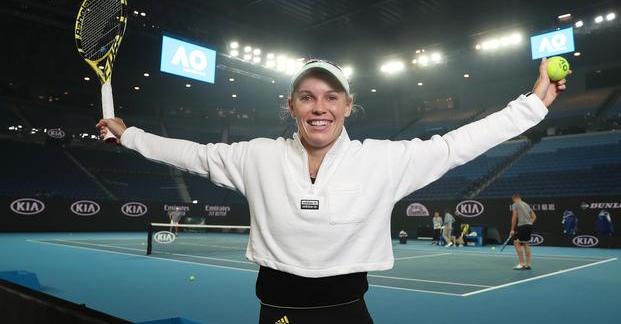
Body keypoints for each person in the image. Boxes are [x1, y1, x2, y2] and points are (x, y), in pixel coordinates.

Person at [97, 58, 566, 323]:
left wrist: (530, 107)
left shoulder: (382, 160)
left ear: (348, 105)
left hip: (349, 312)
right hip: (277, 310)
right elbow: (192, 155)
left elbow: (455, 146)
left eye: (331, 96)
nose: (319, 107)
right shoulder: (254, 155)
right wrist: (129, 134)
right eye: (307, 96)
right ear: (291, 106)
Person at [509, 194, 537, 270]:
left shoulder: (515, 204)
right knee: (526, 244)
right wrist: (530, 223)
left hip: (522, 226)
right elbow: (534, 216)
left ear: (514, 199)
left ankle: (521, 263)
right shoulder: (526, 205)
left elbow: (514, 216)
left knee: (516, 243)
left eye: (513, 200)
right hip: (529, 226)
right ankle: (528, 264)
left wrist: (512, 229)